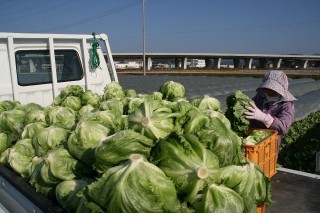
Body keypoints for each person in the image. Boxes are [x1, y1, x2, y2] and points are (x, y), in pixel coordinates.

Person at [244, 70, 297, 155]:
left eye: (273, 90)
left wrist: (265, 118)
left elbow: (284, 126)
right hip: (252, 139)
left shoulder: (286, 105)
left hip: (270, 144)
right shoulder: (260, 97)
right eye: (268, 89)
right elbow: (251, 109)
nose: (269, 92)